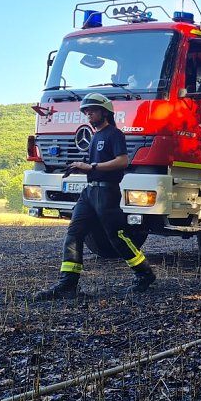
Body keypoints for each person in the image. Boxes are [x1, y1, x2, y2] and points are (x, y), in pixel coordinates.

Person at [33, 93, 157, 301]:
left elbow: (122, 161)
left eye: (92, 110)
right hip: (89, 192)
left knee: (117, 236)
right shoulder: (95, 136)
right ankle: (67, 284)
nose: (88, 114)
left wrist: (92, 167)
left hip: (106, 192)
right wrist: (80, 168)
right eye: (86, 111)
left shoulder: (114, 134)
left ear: (105, 112)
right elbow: (94, 166)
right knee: (74, 233)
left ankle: (144, 274)